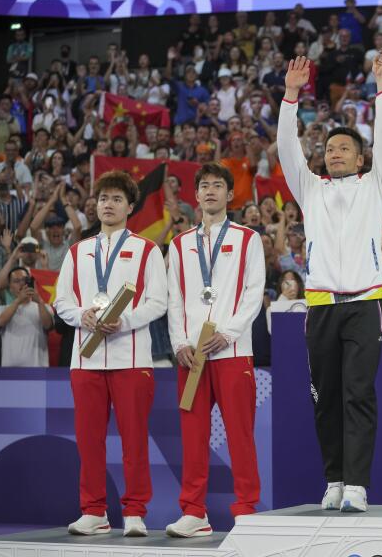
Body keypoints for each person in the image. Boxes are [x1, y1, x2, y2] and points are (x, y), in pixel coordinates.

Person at [277, 53, 382, 512]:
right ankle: (334, 479)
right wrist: (291, 96)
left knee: (358, 395)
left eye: (344, 148)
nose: (335, 154)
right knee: (327, 398)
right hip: (322, 303)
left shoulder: (376, 184)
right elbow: (288, 148)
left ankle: (358, 485)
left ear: (360, 157)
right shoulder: (310, 189)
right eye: (330, 150)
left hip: (366, 302)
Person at [53, 171, 168, 537]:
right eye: (103, 198)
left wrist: (127, 319)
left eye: (117, 199)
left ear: (130, 207)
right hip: (85, 359)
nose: (108, 204)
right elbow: (61, 302)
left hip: (131, 358)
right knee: (89, 440)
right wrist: (81, 316)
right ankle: (94, 511)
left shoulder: (146, 250)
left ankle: (135, 511)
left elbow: (159, 302)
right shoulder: (78, 251)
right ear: (96, 205)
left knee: (134, 439)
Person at [166, 162, 264, 536]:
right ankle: (194, 512)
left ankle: (246, 510)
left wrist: (229, 331)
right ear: (195, 195)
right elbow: (175, 300)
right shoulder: (179, 245)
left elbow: (255, 292)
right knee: (192, 436)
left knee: (240, 433)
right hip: (192, 356)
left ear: (229, 194)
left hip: (233, 350)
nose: (210, 191)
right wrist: (179, 344)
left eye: (217, 186)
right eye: (204, 186)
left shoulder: (247, 238)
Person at [0, 266, 53, 366]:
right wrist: (18, 301)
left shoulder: (44, 307)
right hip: (9, 371)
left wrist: (39, 301)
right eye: (16, 281)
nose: (21, 283)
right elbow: (0, 322)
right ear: (10, 287)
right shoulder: (1, 309)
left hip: (37, 368)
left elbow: (48, 325)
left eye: (25, 280)